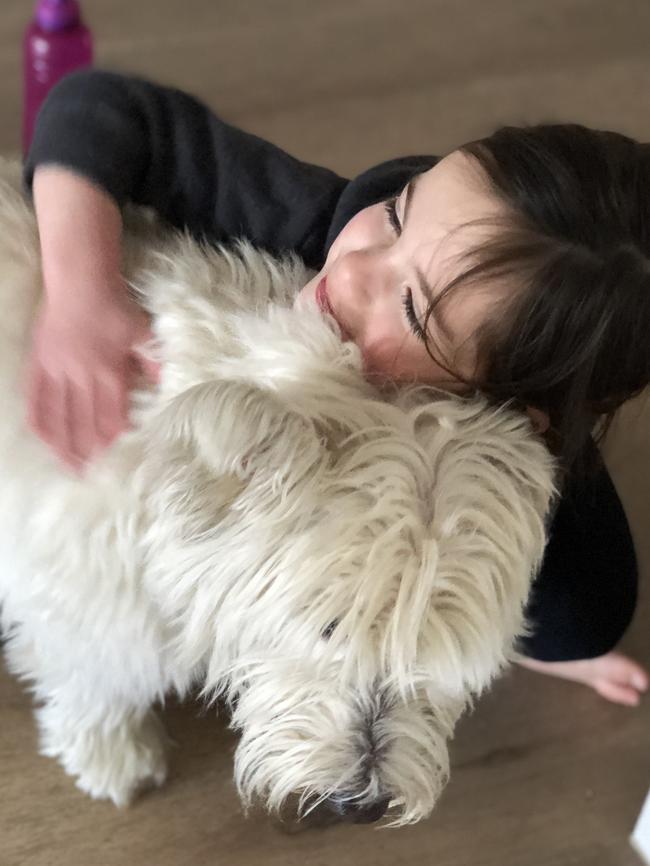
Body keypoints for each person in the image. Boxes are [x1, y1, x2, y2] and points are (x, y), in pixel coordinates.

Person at [23, 69, 649, 705]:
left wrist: (533, 639)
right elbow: (105, 106)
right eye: (398, 215)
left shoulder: (519, 439)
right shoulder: (318, 225)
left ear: (511, 404)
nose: (350, 273)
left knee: (587, 621)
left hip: (535, 456)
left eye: (411, 310)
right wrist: (81, 291)